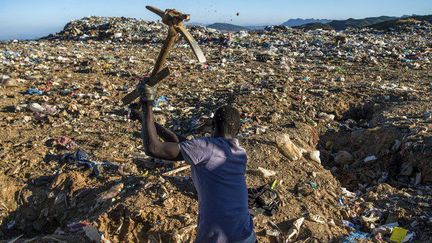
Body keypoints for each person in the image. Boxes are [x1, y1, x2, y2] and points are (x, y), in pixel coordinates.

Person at [140, 84, 256, 243]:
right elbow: (182, 143)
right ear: (238, 130)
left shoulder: (205, 148)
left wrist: (148, 105)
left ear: (213, 126)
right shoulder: (239, 153)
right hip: (246, 236)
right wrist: (145, 120)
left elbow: (153, 148)